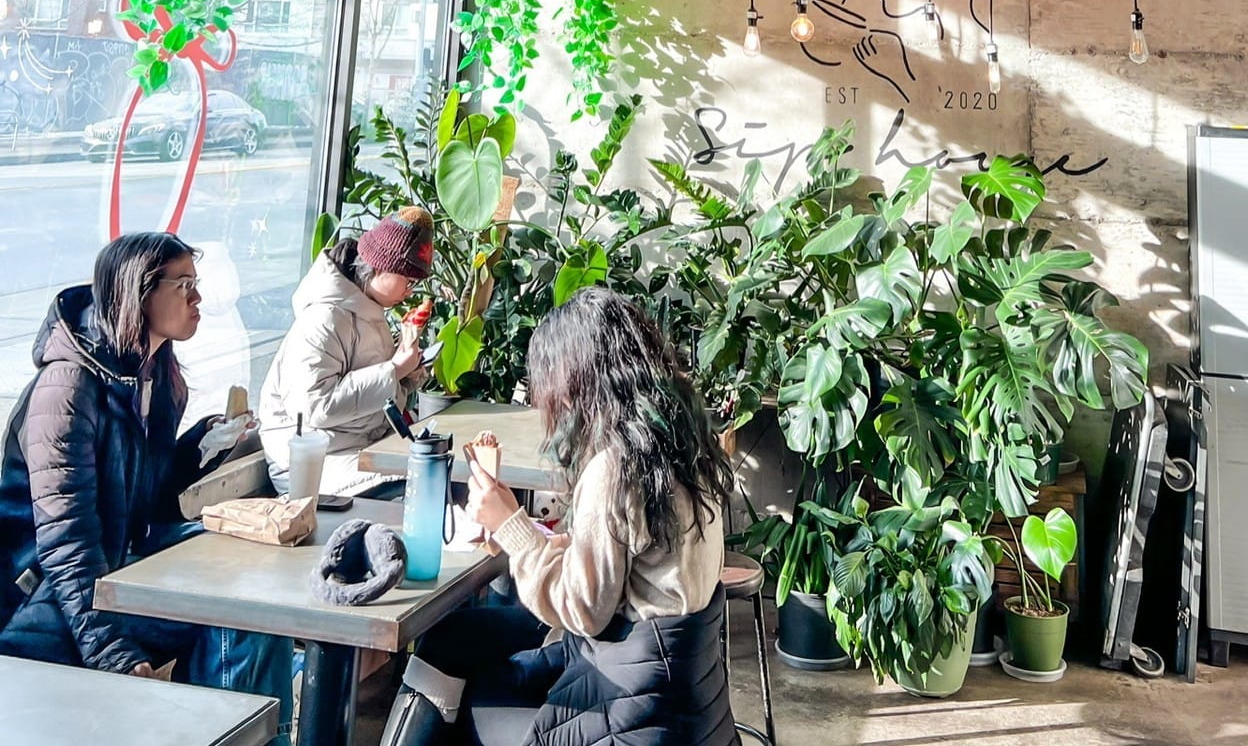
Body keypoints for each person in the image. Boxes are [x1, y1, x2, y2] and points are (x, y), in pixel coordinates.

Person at [380, 286, 737, 746]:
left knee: (474, 699)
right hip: (673, 685)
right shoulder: (678, 443)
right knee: (454, 638)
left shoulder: (615, 468)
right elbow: (629, 559)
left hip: (629, 700)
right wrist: (530, 534)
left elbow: (583, 610)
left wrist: (510, 525)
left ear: (576, 378)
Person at [0, 232, 293, 741]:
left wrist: (202, 446)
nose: (198, 298)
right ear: (140, 294)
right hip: (47, 603)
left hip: (112, 573)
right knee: (230, 616)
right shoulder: (66, 390)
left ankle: (268, 734)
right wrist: (111, 651)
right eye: (185, 285)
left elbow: (145, 500)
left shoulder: (151, 371)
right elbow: (66, 548)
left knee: (251, 596)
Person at [258, 207, 432, 494]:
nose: (410, 292)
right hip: (310, 465)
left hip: (357, 445)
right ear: (380, 266)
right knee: (424, 482)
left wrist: (406, 377)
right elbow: (313, 407)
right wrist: (394, 369)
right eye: (409, 281)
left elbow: (371, 397)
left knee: (439, 463)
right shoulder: (323, 318)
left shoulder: (370, 312)